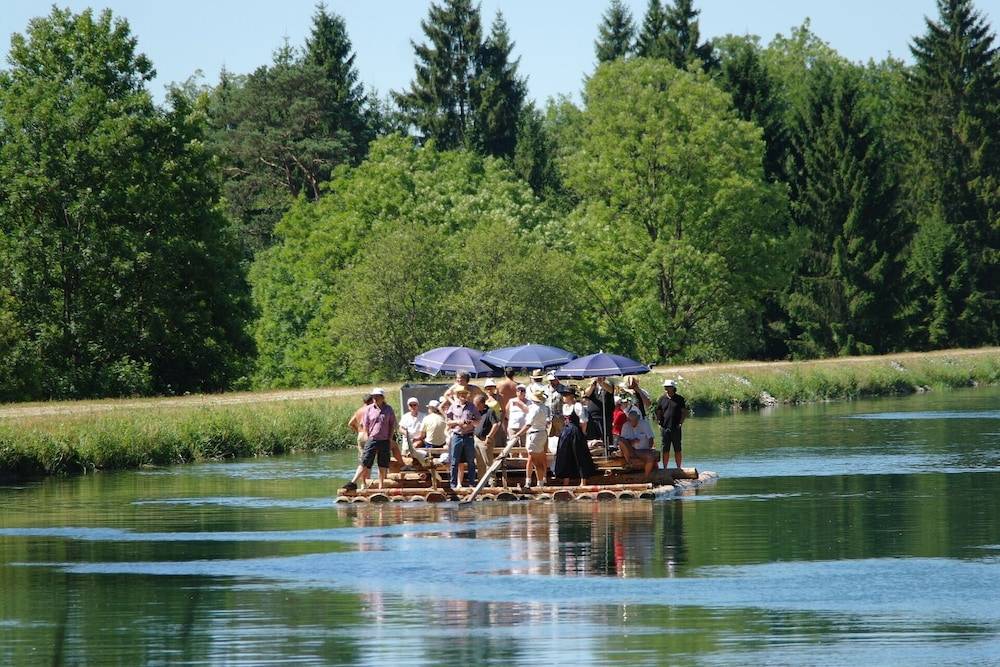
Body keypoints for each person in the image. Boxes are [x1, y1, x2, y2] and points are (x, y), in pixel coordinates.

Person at [344, 388, 396, 491]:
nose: (375, 398)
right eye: (373, 397)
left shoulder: (388, 409)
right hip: (372, 439)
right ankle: (353, 482)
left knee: (383, 463)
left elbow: (392, 424)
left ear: (382, 397)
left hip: (385, 440)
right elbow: (365, 424)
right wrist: (368, 436)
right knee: (365, 461)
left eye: (377, 396)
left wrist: (390, 438)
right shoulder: (369, 409)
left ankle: (381, 486)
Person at [512, 387, 551, 487]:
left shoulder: (536, 409)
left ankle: (540, 484)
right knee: (537, 459)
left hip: (535, 434)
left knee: (536, 461)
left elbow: (528, 424)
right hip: (541, 433)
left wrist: (518, 433)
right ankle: (539, 482)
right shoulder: (543, 407)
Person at [445, 387, 478, 489]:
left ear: (467, 395)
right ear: (458, 395)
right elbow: (448, 422)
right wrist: (457, 422)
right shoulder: (453, 406)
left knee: (471, 461)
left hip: (469, 436)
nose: (462, 396)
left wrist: (470, 422)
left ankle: (471, 483)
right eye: (460, 394)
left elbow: (478, 421)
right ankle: (453, 485)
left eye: (464, 394)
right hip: (457, 436)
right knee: (454, 461)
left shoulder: (472, 406)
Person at [553, 411, 598, 486]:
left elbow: (584, 421)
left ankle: (583, 482)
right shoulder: (565, 406)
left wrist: (583, 433)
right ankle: (566, 481)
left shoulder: (577, 406)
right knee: (565, 456)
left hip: (575, 431)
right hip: (566, 432)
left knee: (580, 456)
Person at [654, 379, 688, 468]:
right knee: (665, 449)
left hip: (676, 427)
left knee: (677, 448)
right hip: (665, 428)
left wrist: (680, 423)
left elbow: (684, 412)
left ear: (673, 388)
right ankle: (665, 468)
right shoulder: (661, 399)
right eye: (665, 387)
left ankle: (678, 468)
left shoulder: (680, 399)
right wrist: (659, 423)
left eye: (668, 387)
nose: (666, 388)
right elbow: (658, 411)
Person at [619, 407, 660, 478]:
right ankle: (629, 461)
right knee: (621, 441)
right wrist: (632, 441)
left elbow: (651, 438)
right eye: (632, 421)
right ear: (628, 420)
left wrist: (650, 448)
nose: (634, 423)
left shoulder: (644, 424)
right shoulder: (625, 426)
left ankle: (646, 477)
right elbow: (623, 440)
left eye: (635, 421)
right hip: (630, 450)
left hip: (643, 449)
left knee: (650, 457)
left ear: (638, 419)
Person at [473, 394, 502, 485]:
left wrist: (489, 436)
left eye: (476, 404)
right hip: (476, 439)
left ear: (482, 404)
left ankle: (492, 482)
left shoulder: (490, 411)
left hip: (485, 439)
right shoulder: (477, 413)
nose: (475, 406)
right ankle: (481, 482)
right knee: (479, 463)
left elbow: (496, 424)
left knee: (488, 462)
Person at [398, 397, 428, 466]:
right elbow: (400, 428)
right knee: (405, 458)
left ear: (418, 406)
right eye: (411, 405)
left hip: (419, 440)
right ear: (408, 407)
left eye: (414, 405)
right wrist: (406, 433)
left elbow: (426, 430)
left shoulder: (423, 416)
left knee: (416, 445)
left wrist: (419, 437)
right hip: (407, 441)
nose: (413, 407)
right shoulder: (405, 416)